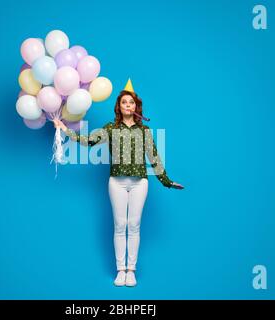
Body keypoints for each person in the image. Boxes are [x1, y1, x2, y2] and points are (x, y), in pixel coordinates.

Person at [54, 79, 184, 287]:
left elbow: (154, 158)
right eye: (124, 102)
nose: (128, 106)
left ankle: (131, 270)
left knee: (134, 225)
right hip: (116, 182)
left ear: (136, 107)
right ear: (119, 106)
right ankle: (120, 270)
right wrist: (64, 129)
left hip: (139, 182)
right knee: (119, 225)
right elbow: (89, 140)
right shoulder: (111, 128)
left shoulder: (145, 132)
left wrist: (167, 182)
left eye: (131, 103)